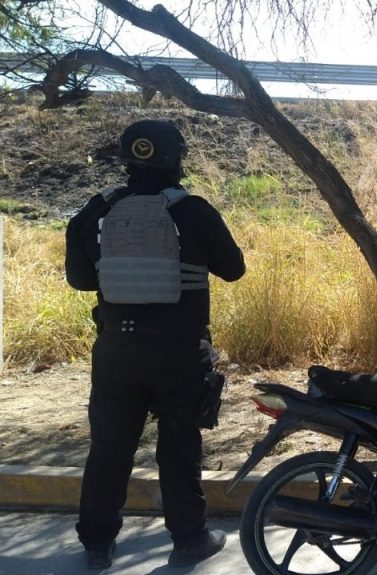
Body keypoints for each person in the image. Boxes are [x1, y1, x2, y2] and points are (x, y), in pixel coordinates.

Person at [66, 119, 246, 570]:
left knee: (109, 448)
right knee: (179, 446)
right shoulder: (193, 210)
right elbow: (234, 269)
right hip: (179, 353)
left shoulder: (97, 210)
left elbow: (80, 280)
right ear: (175, 160)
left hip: (117, 351)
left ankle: (97, 545)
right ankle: (190, 540)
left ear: (127, 161)